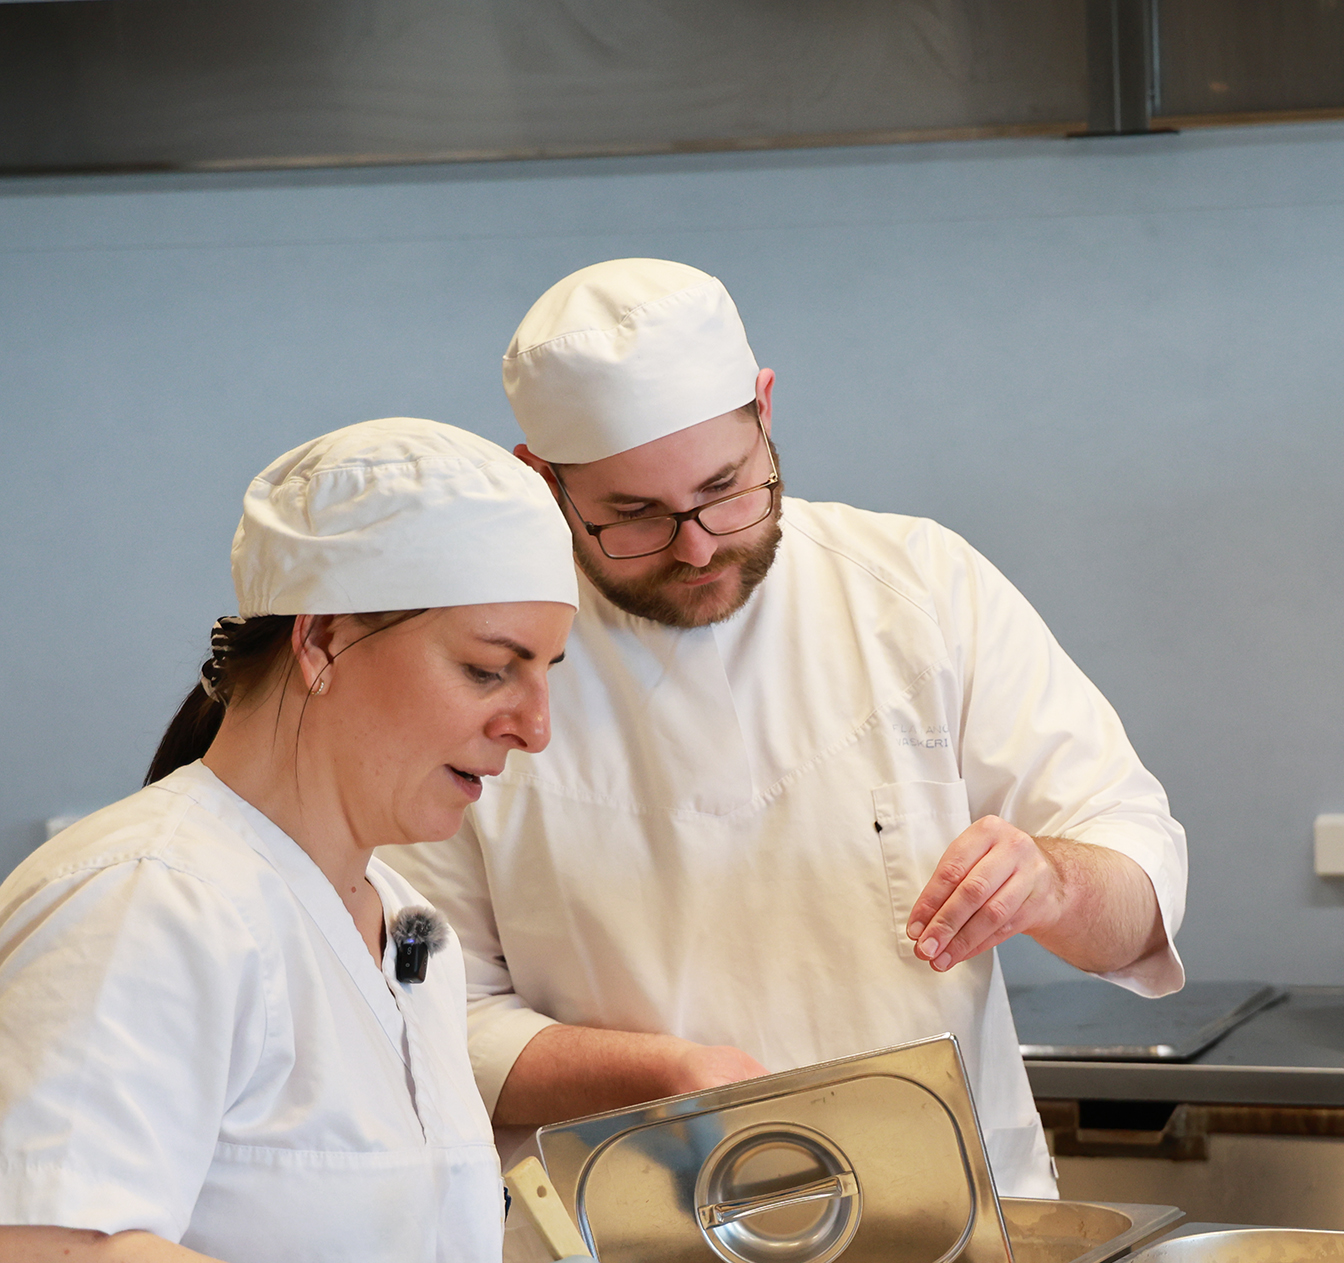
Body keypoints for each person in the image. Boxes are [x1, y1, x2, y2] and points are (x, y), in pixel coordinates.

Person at [0, 421, 799, 1263]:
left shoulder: (403, 928)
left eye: (547, 672)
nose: (533, 725)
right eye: (490, 669)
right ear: (324, 638)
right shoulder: (148, 898)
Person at [384, 260, 1188, 1199]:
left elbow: (1135, 891)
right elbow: (436, 1015)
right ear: (541, 479)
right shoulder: (485, 660)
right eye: (633, 516)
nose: (698, 547)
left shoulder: (921, 589)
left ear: (765, 410)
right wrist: (666, 1076)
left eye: (725, 488)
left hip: (952, 1219)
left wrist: (1051, 882)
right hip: (628, 1243)